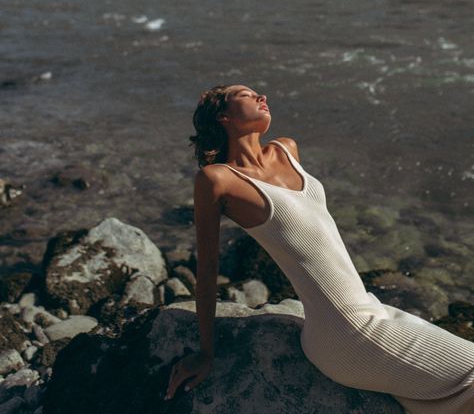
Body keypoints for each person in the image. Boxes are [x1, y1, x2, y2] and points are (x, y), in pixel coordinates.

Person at [165, 84, 474, 413]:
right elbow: (207, 269)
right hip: (345, 332)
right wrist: (206, 353)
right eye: (246, 94)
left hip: (374, 310)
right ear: (224, 116)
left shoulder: (286, 150)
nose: (262, 97)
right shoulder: (217, 180)